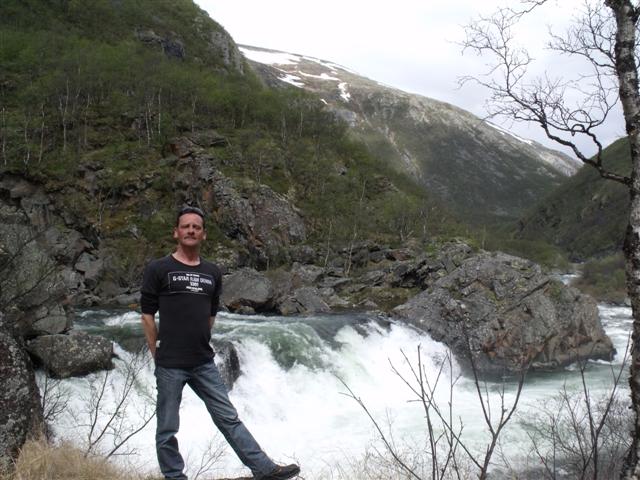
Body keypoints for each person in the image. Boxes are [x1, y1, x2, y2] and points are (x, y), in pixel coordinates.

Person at [140, 205, 300, 480]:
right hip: (170, 364)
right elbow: (147, 316)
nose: (191, 230)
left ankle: (264, 469)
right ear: (176, 232)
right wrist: (156, 353)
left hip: (203, 361)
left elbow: (210, 316)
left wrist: (198, 339)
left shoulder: (212, 272)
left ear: (203, 234)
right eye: (186, 226)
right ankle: (174, 476)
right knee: (167, 427)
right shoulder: (159, 268)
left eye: (196, 227)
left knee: (228, 418)